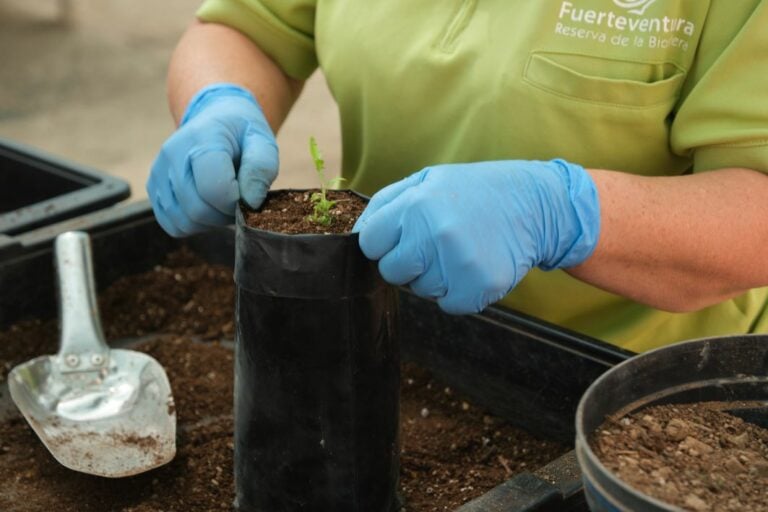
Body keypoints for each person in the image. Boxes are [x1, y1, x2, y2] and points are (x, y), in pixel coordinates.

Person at [147, 0, 768, 353]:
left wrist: (559, 212)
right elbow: (247, 27)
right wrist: (217, 101)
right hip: (388, 325)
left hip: (633, 385)